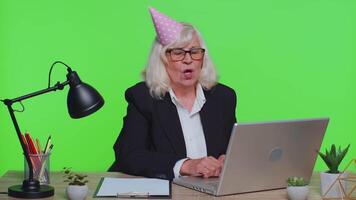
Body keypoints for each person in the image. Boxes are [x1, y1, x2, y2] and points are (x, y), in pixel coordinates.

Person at [109, 7, 237, 180]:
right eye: (178, 52)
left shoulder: (224, 97)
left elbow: (231, 148)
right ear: (161, 59)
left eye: (194, 52)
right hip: (167, 191)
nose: (188, 59)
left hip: (210, 189)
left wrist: (228, 159)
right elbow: (128, 155)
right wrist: (186, 165)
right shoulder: (143, 97)